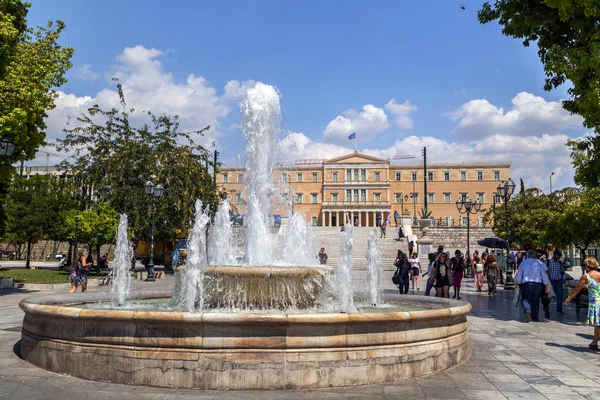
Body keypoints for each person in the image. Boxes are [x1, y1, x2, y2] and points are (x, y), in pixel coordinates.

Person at [565, 257, 600, 351]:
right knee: (598, 323)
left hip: (595, 302)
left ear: (587, 266)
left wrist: (569, 297)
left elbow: (577, 289)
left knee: (598, 323)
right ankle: (594, 342)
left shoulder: (586, 276)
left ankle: (595, 342)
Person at [515, 249, 550, 323]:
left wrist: (517, 283)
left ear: (527, 255)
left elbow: (519, 274)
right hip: (537, 285)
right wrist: (546, 285)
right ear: (535, 256)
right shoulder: (538, 264)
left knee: (525, 299)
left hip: (526, 284)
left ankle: (527, 309)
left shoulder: (523, 263)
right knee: (536, 301)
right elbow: (543, 275)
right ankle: (535, 317)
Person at [547, 250, 565, 315]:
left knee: (560, 296)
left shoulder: (560, 262)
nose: (559, 257)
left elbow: (562, 271)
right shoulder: (548, 262)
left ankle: (559, 309)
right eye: (558, 255)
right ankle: (546, 307)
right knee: (549, 296)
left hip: (558, 281)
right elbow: (545, 271)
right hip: (551, 281)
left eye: (560, 256)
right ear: (554, 254)